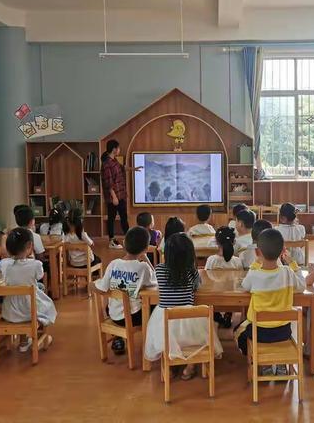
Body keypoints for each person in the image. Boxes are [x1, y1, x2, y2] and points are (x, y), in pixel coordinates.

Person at [145, 232, 223, 379]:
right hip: (189, 319)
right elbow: (196, 286)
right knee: (198, 335)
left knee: (164, 337)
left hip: (164, 319)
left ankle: (170, 365)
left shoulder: (160, 270)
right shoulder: (191, 271)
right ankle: (190, 366)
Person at [234, 228, 306, 376]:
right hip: (283, 332)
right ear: (282, 252)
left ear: (258, 252)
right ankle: (280, 364)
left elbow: (245, 286)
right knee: (276, 331)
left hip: (259, 333)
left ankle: (263, 363)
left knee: (237, 332)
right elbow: (302, 286)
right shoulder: (287, 272)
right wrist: (292, 263)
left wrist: (255, 263)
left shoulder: (254, 274)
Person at [95, 226, 157, 354]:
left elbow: (102, 288)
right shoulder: (143, 267)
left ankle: (118, 338)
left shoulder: (113, 264)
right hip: (133, 316)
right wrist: (146, 260)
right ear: (146, 249)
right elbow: (154, 282)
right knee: (155, 306)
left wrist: (91, 285)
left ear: (124, 243)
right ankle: (154, 342)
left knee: (115, 303)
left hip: (114, 314)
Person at [0, 227, 57, 352]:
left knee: (24, 298)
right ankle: (41, 337)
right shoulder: (35, 264)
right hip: (29, 312)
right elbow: (39, 276)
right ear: (30, 246)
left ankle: (24, 341)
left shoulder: (3, 264)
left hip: (9, 312)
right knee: (46, 305)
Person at [101, 140, 141, 249]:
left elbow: (122, 168)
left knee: (123, 217)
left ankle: (129, 238)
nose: (119, 150)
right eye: (118, 148)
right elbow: (108, 182)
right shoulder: (106, 164)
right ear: (114, 149)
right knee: (112, 218)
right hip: (114, 197)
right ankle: (112, 241)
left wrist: (134, 169)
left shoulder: (114, 161)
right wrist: (113, 196)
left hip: (121, 194)